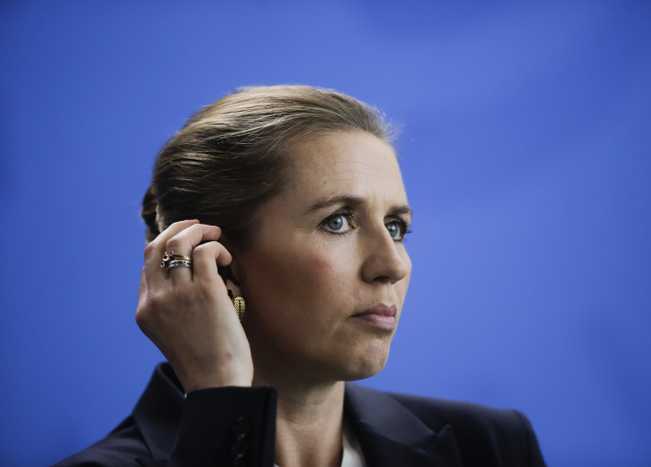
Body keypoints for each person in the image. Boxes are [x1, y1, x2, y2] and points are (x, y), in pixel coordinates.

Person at [55, 85, 547, 467]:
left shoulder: (490, 447)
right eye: (337, 221)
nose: (392, 265)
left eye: (396, 227)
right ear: (214, 258)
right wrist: (220, 399)